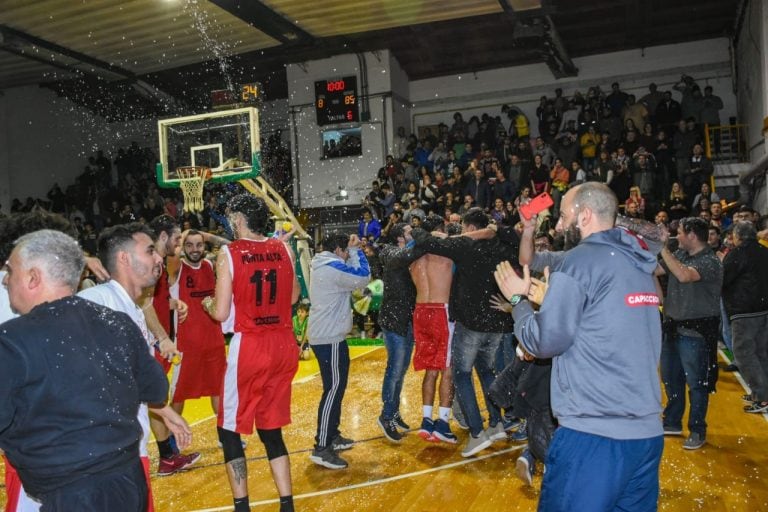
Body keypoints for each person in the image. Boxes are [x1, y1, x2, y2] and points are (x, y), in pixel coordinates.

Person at [494, 182, 664, 511]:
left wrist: (517, 299)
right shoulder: (637, 260)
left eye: (562, 216)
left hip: (595, 434)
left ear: (584, 216)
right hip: (645, 434)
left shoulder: (579, 263)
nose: (557, 225)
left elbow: (543, 341)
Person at [1, 229, 190, 512]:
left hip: (68, 491)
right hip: (128, 479)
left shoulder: (11, 341)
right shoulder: (115, 321)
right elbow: (155, 388)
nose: (5, 279)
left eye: (10, 271)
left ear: (33, 277)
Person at [78, 223, 199, 500]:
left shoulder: (129, 306)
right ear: (124, 259)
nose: (158, 258)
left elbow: (127, 375)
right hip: (109, 458)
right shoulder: (95, 301)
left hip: (130, 449)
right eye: (149, 251)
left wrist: (165, 412)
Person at [204, 194, 300, 512]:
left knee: (228, 428)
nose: (231, 222)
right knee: (271, 428)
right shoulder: (283, 248)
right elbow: (293, 297)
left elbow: (219, 312)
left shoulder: (228, 253)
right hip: (284, 344)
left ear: (242, 219)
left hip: (252, 346)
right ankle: (287, 504)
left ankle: (242, 506)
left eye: (233, 217)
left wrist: (206, 303)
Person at [413, 208, 514, 458]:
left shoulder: (465, 247)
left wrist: (414, 228)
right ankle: (497, 423)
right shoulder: (501, 247)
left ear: (469, 229)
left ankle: (477, 433)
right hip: (496, 323)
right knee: (487, 372)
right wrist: (496, 230)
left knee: (461, 375)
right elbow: (520, 243)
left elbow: (428, 241)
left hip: (471, 323)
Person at [658, 217, 722, 450]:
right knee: (671, 378)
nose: (677, 237)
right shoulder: (681, 256)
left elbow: (684, 276)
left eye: (681, 233)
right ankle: (673, 422)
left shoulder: (710, 261)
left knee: (697, 383)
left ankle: (697, 429)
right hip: (673, 327)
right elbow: (656, 270)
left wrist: (663, 247)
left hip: (696, 332)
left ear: (693, 235)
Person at [308, 231, 371, 469]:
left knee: (335, 388)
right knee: (333, 390)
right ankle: (322, 446)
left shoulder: (324, 264)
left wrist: (352, 250)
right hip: (329, 338)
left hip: (328, 336)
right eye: (346, 251)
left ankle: (331, 435)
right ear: (338, 250)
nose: (347, 255)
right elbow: (364, 277)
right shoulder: (332, 267)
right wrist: (357, 250)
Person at [169, 230, 228, 421]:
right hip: (186, 344)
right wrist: (182, 235)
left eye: (199, 245)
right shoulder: (177, 268)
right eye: (189, 245)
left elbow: (231, 247)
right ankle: (170, 443)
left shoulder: (210, 264)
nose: (195, 250)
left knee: (219, 389)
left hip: (214, 341)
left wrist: (206, 235)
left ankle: (225, 436)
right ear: (183, 247)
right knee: (179, 395)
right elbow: (172, 253)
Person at [409, 214, 458, 444]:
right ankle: (443, 423)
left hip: (420, 310)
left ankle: (426, 420)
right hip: (441, 309)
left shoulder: (414, 250)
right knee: (447, 368)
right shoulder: (445, 244)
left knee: (431, 368)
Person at [377, 223, 421, 442]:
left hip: (406, 320)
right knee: (394, 370)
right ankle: (386, 416)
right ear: (398, 237)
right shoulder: (389, 252)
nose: (411, 232)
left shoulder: (404, 253)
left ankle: (393, 412)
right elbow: (407, 254)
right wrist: (420, 239)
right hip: (394, 320)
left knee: (401, 370)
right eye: (408, 231)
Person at [721, 222, 768, 412]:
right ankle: (763, 391)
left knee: (743, 354)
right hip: (764, 309)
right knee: (761, 352)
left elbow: (723, 279)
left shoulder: (737, 254)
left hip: (744, 311)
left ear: (737, 236)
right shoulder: (764, 251)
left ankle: (762, 397)